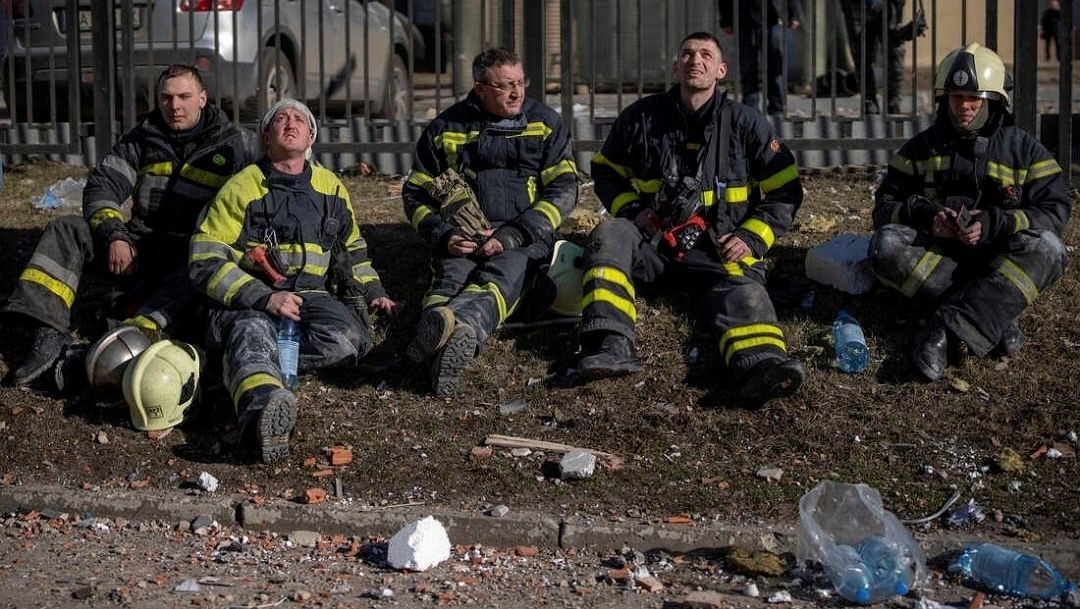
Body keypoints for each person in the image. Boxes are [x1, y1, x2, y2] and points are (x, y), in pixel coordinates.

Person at [578, 31, 806, 406]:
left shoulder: (746, 124)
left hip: (720, 247)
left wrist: (750, 238)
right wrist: (635, 211)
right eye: (686, 53)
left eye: (704, 54)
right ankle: (611, 344)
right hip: (655, 246)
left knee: (745, 292)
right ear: (675, 66)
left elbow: (786, 191)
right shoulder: (641, 118)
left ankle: (762, 365)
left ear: (720, 70)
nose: (693, 60)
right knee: (610, 234)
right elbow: (605, 169)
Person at [2, 64, 259, 387]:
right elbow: (103, 186)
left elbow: (272, 182)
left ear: (203, 98)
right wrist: (115, 235)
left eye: (184, 96)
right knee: (67, 229)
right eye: (166, 97)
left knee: (185, 298)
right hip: (139, 245)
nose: (174, 106)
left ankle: (124, 340)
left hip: (193, 256)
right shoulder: (143, 137)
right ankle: (46, 332)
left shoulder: (236, 144)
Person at [189, 99, 395, 462]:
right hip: (249, 301)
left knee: (350, 341)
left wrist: (374, 292)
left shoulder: (331, 188)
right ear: (266, 137)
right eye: (280, 119)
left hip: (310, 297)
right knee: (251, 329)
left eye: (300, 119)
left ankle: (249, 363)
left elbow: (353, 251)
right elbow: (204, 260)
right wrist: (262, 297)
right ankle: (262, 412)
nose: (291, 123)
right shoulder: (242, 187)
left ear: (311, 136)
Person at [869, 43, 1069, 382]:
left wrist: (997, 223)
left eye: (974, 98)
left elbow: (1055, 210)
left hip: (999, 257)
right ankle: (994, 313)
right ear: (943, 98)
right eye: (956, 96)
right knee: (885, 245)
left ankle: (944, 330)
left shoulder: (1025, 150)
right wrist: (926, 217)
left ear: (995, 101)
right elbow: (883, 210)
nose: (964, 106)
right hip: (940, 257)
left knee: (1049, 249)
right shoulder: (919, 149)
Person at [401, 47, 578, 396]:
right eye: (504, 86)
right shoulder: (445, 128)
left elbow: (564, 190)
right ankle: (441, 343)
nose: (516, 93)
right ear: (480, 88)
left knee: (504, 275)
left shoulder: (545, 123)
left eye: (520, 83)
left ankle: (462, 328)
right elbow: (416, 193)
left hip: (523, 236)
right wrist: (444, 235)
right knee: (450, 279)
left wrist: (513, 234)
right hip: (463, 235)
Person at [839, 0, 927, 114]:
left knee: (895, 51)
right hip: (856, 6)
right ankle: (869, 103)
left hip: (888, 5)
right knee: (861, 55)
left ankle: (893, 104)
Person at [720, 0, 802, 116]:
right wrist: (726, 19)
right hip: (745, 18)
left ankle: (777, 107)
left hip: (775, 17)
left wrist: (794, 13)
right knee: (748, 66)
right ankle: (750, 109)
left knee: (776, 65)